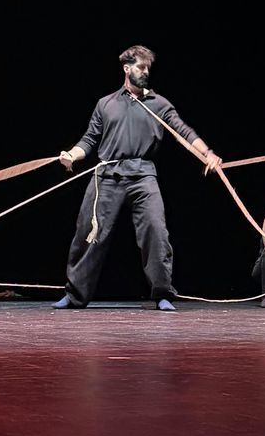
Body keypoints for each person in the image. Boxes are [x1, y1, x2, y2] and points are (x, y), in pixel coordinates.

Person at [54, 45, 221, 311]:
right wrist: (71, 155)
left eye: (147, 68)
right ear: (127, 68)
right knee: (88, 232)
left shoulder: (159, 104)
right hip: (107, 175)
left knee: (156, 231)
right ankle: (75, 295)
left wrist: (208, 154)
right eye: (141, 67)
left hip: (143, 175)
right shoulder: (106, 104)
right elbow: (89, 139)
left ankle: (162, 293)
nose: (145, 72)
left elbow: (184, 132)